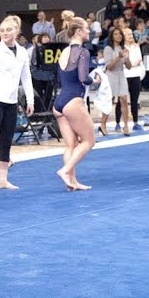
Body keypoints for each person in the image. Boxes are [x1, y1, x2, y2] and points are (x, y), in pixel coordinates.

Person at [0, 15, 34, 189]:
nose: (5, 33)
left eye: (9, 30)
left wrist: (30, 100)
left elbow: (26, 77)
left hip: (11, 102)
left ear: (17, 31)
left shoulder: (22, 52)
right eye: (2, 30)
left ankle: (3, 179)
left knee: (6, 140)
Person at [52, 16, 96, 191]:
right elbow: (83, 78)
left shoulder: (64, 51)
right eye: (86, 28)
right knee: (89, 141)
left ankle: (72, 182)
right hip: (73, 100)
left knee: (70, 145)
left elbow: (60, 77)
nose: (89, 31)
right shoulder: (83, 52)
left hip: (59, 103)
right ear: (78, 31)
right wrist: (96, 80)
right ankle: (65, 170)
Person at [103, 29, 132, 136]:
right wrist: (118, 57)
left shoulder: (124, 48)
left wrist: (127, 58)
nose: (118, 35)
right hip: (111, 76)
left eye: (120, 34)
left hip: (121, 75)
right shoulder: (108, 48)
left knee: (124, 99)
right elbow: (109, 67)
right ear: (112, 36)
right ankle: (103, 125)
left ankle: (126, 126)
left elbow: (129, 67)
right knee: (109, 101)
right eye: (115, 34)